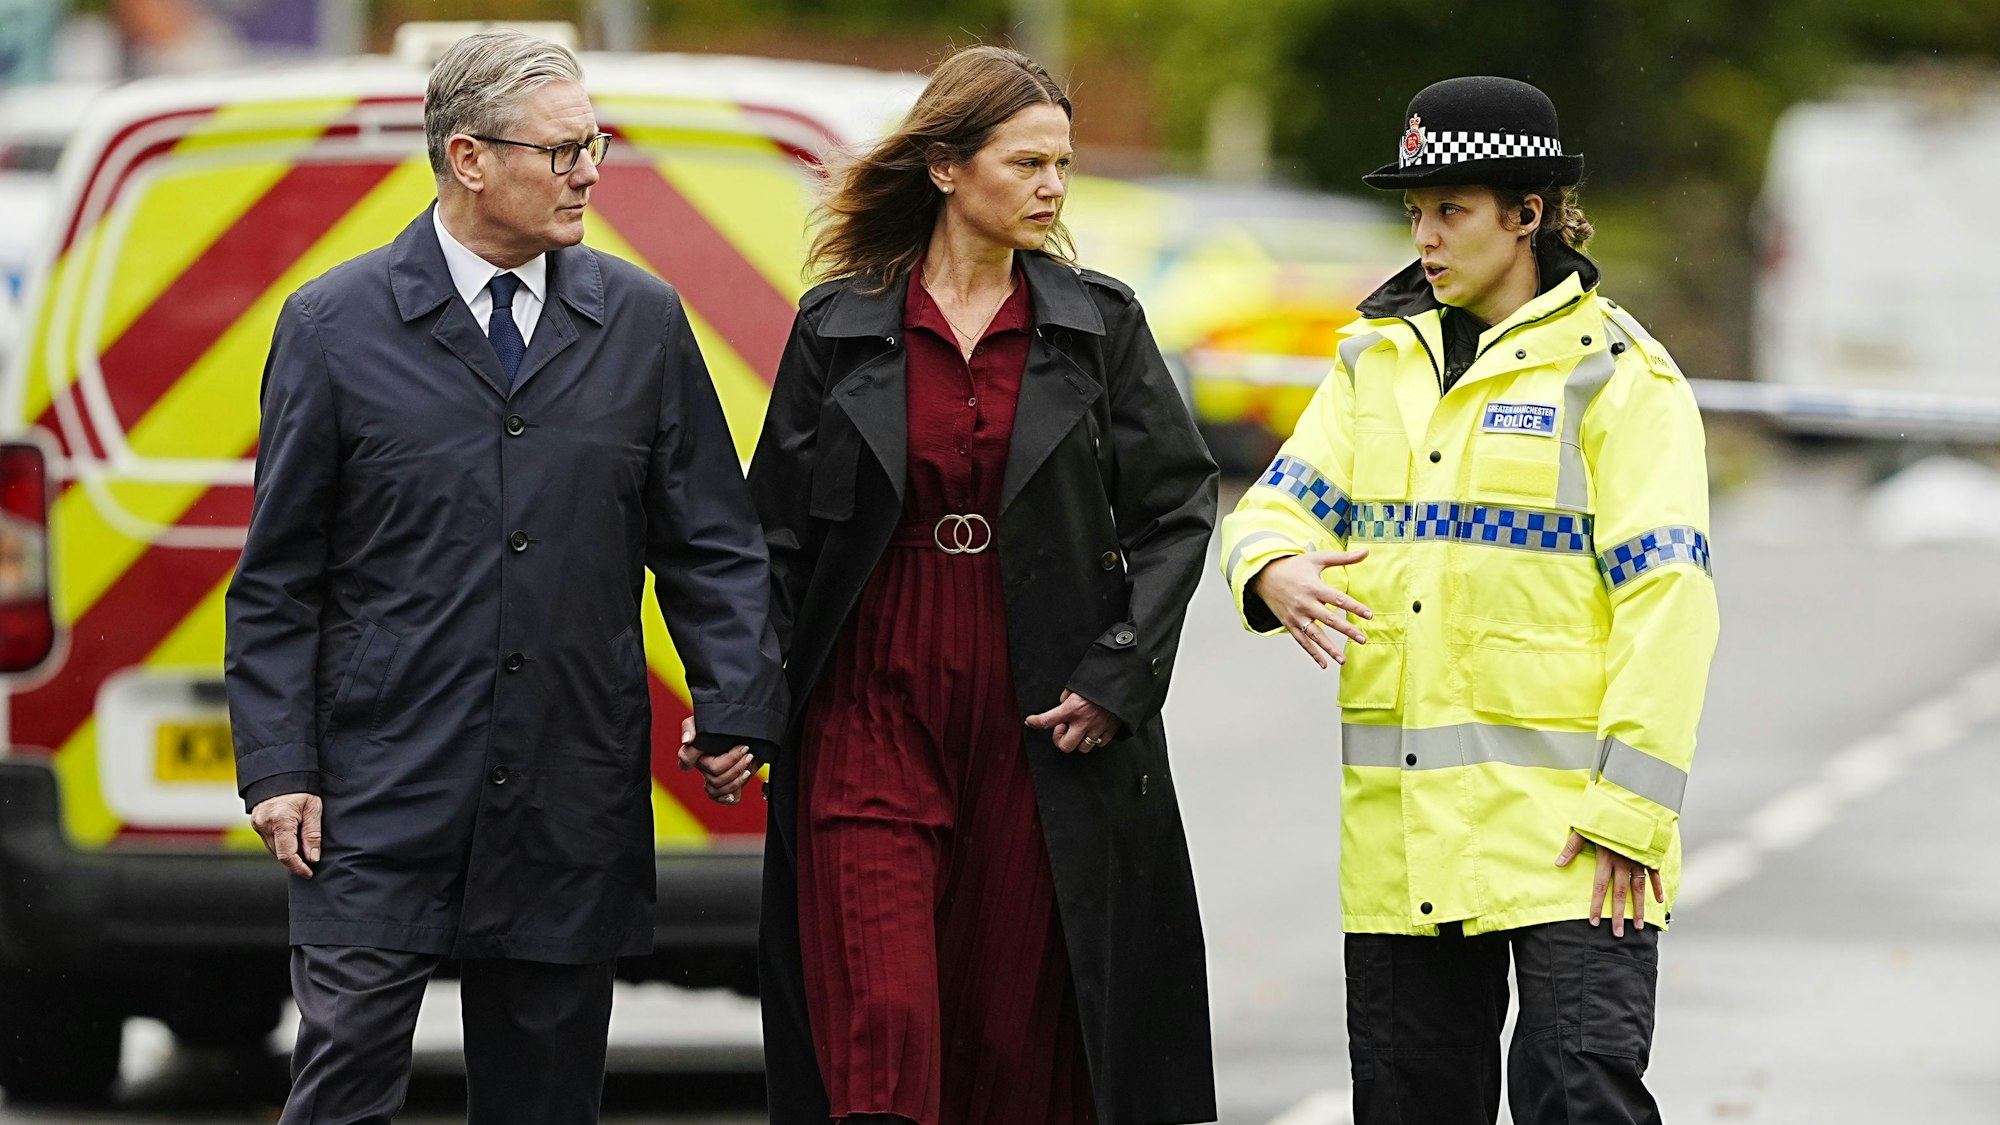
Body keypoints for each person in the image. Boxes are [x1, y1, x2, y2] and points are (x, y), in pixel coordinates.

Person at [224, 30, 786, 1125]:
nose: (588, 172)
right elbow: (279, 576)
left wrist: (736, 699)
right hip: (377, 784)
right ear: (469, 157)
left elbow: (710, 539)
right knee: (342, 1080)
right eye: (562, 150)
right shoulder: (332, 326)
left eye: (595, 146)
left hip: (565, 783)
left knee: (545, 1097)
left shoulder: (641, 322)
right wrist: (278, 766)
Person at [685, 43, 1218, 1125]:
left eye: (1060, 165)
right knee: (885, 1026)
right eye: (1026, 163)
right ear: (943, 166)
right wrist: (741, 700)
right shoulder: (837, 328)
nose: (1052, 188)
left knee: (1010, 1045)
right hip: (866, 710)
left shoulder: (1095, 325)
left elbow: (1175, 509)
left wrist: (1119, 673)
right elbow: (772, 539)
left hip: (1039, 724)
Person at [1218, 76, 1720, 1124]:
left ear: (1526, 213)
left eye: (1450, 210)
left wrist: (1630, 812)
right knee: (1406, 1106)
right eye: (1414, 213)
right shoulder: (1373, 364)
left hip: (1579, 849)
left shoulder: (1619, 376)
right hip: (1406, 838)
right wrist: (1271, 569)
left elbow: (1667, 601)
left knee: (1580, 1102)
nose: (1425, 237)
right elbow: (1272, 510)